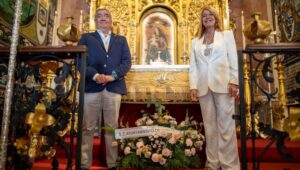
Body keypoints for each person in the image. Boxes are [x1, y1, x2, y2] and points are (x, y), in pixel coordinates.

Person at [78, 7, 131, 170]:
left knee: (111, 127)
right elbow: (80, 60)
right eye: (99, 16)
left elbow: (126, 62)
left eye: (106, 16)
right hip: (91, 87)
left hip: (113, 88)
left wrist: (111, 76)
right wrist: (95, 76)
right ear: (95, 20)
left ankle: (112, 163)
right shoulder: (87, 38)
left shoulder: (121, 40)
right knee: (87, 127)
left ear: (111, 21)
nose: (103, 18)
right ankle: (84, 163)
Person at [189, 6, 240, 170]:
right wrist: (193, 86)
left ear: (216, 18)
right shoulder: (195, 41)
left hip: (223, 84)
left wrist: (234, 81)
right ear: (201, 21)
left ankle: (229, 165)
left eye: (210, 15)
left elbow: (233, 59)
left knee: (226, 127)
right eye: (204, 16)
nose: (207, 17)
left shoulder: (226, 36)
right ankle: (212, 163)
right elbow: (193, 67)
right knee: (210, 127)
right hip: (204, 88)